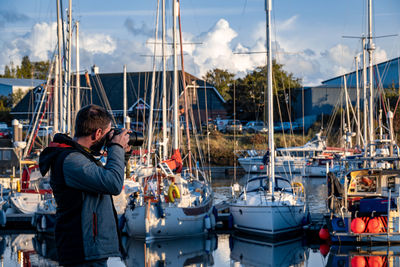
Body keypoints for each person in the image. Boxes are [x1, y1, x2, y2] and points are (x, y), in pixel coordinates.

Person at [39, 104, 130, 266]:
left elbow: (106, 179)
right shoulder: (71, 160)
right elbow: (113, 184)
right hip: (82, 251)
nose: (110, 138)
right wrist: (116, 147)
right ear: (98, 133)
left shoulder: (80, 156)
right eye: (108, 133)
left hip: (89, 250)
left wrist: (122, 154)